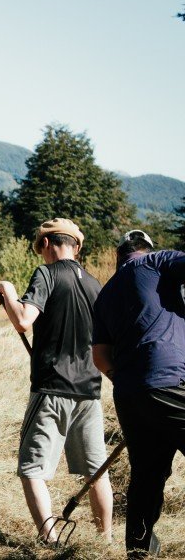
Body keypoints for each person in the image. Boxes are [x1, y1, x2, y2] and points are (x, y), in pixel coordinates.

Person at [0, 218, 113, 542]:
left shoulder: (46, 274)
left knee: (31, 469)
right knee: (96, 471)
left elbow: (23, 321)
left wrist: (7, 291)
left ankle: (51, 541)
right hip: (89, 390)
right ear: (77, 246)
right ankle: (106, 542)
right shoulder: (96, 284)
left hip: (52, 389)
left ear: (46, 244)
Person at [92, 230, 185, 558]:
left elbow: (100, 356)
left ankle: (138, 549)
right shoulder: (156, 262)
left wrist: (132, 380)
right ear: (145, 251)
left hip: (129, 395)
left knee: (146, 473)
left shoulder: (105, 295)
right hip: (170, 380)